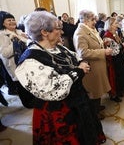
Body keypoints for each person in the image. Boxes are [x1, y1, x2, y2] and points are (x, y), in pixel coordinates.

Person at [14, 11, 106, 144]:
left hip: (79, 101)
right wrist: (78, 71)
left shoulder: (58, 48)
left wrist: (82, 63)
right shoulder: (30, 60)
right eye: (58, 28)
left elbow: (77, 57)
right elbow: (54, 89)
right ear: (45, 32)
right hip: (59, 111)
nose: (62, 32)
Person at [73, 9, 112, 120]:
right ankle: (94, 113)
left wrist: (104, 43)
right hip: (92, 67)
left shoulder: (90, 29)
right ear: (85, 20)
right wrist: (103, 52)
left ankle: (97, 107)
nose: (95, 21)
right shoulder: (80, 33)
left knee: (98, 89)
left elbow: (95, 44)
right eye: (92, 19)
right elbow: (83, 52)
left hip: (98, 65)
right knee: (94, 90)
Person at [0, 11, 28, 95]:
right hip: (16, 66)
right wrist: (14, 41)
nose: (12, 21)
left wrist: (27, 38)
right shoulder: (2, 35)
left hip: (27, 63)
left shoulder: (20, 32)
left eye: (13, 19)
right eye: (9, 20)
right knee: (24, 92)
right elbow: (5, 53)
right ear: (3, 23)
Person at [103, 17, 124, 101]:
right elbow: (113, 51)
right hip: (114, 59)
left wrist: (123, 44)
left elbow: (118, 44)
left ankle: (120, 90)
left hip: (119, 57)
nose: (117, 25)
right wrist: (121, 46)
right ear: (110, 25)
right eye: (115, 24)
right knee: (115, 76)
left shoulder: (115, 33)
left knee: (121, 74)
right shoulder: (107, 36)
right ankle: (115, 94)